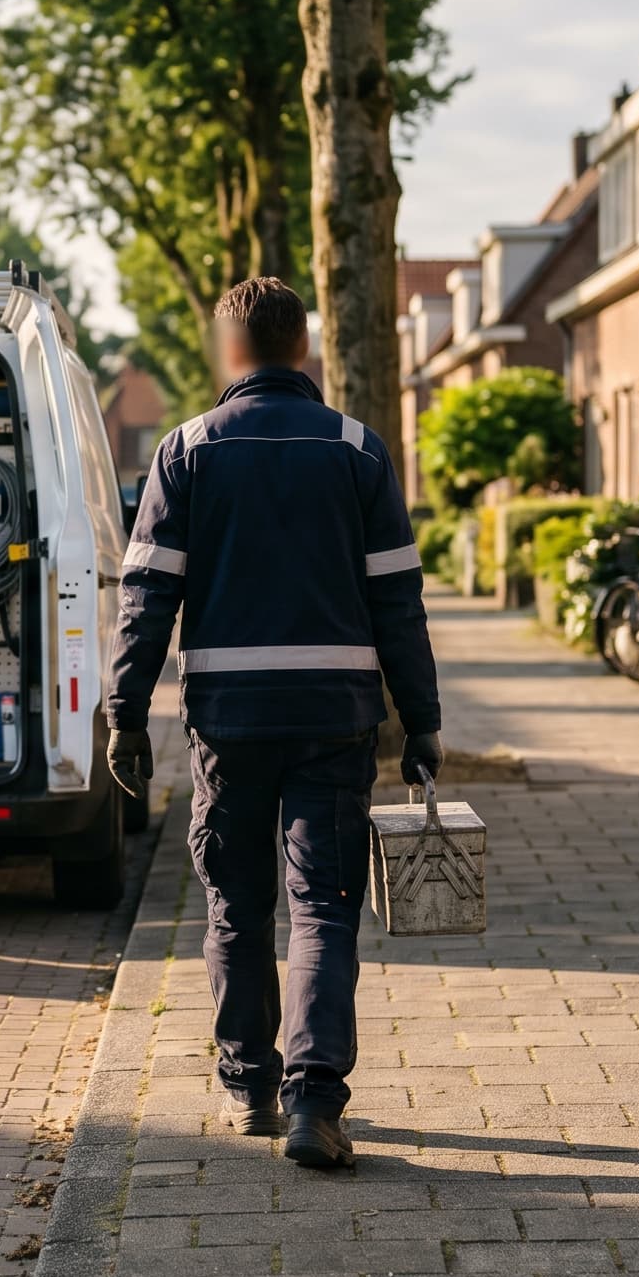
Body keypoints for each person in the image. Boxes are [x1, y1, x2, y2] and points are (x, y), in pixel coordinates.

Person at [104, 276, 441, 1167]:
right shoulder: (359, 450)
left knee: (236, 905)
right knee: (324, 908)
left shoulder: (186, 451)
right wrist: (423, 719)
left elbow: (148, 595)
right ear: (304, 348)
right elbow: (397, 599)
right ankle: (315, 1103)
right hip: (335, 718)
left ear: (230, 352)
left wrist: (125, 713)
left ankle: (249, 1085)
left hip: (229, 721)